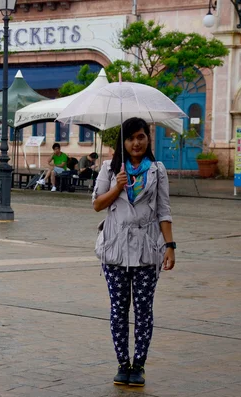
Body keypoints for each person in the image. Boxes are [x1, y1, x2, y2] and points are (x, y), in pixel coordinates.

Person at [92, 117, 175, 387]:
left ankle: (138, 365)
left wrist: (169, 246)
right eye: (130, 138)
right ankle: (122, 363)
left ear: (148, 139)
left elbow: (164, 210)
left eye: (140, 137)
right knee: (118, 310)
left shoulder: (157, 170)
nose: (136, 143)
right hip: (114, 250)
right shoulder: (110, 168)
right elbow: (96, 205)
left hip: (146, 251)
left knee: (143, 310)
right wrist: (117, 186)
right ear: (123, 142)